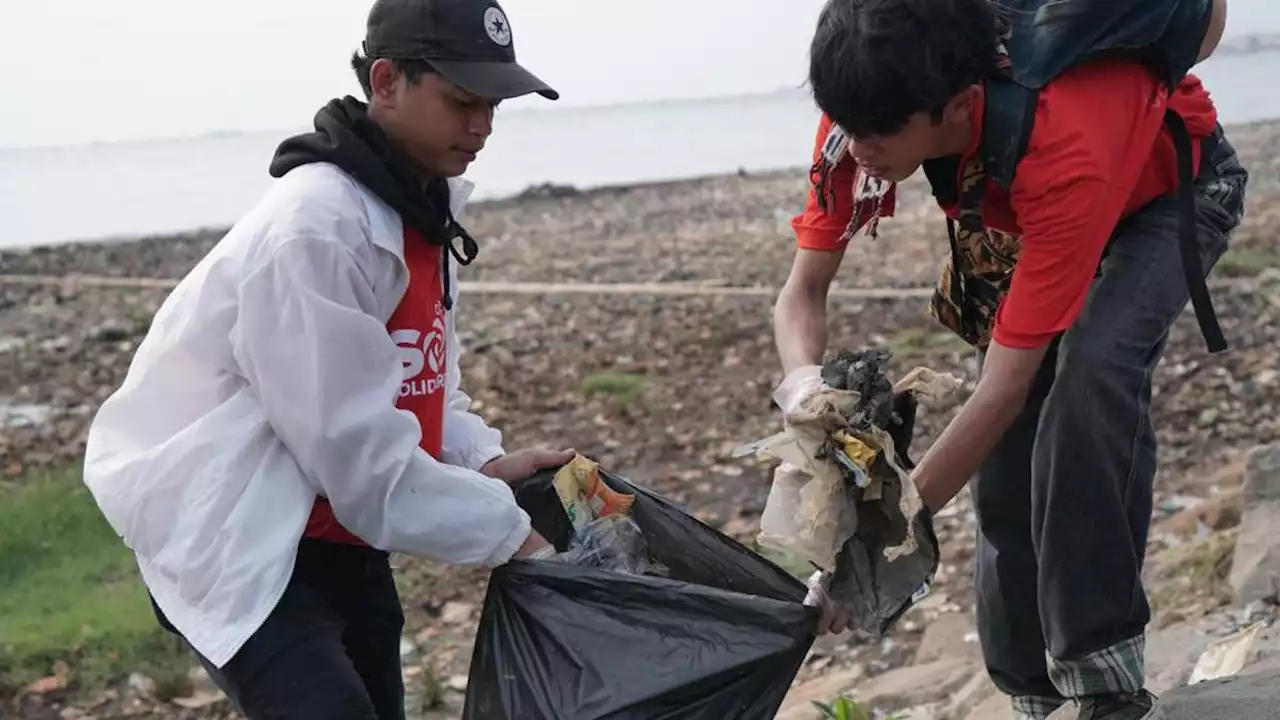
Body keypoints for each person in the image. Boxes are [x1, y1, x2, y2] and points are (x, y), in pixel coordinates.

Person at [81, 0, 569, 717]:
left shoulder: (421, 211)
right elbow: (362, 462)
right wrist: (516, 538)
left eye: (494, 104)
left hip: (341, 528)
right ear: (385, 81)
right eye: (463, 100)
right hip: (241, 534)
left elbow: (423, 386)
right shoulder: (314, 231)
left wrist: (480, 462)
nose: (483, 126)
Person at [773, 0, 1245, 719]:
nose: (859, 149)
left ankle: (1103, 674)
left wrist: (864, 555)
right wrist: (803, 387)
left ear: (960, 104)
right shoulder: (867, 107)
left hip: (1162, 197)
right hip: (1028, 211)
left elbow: (1000, 390)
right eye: (847, 128)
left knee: (1091, 377)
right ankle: (1029, 688)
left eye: (878, 135)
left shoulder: (1065, 136)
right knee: (1007, 465)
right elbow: (801, 295)